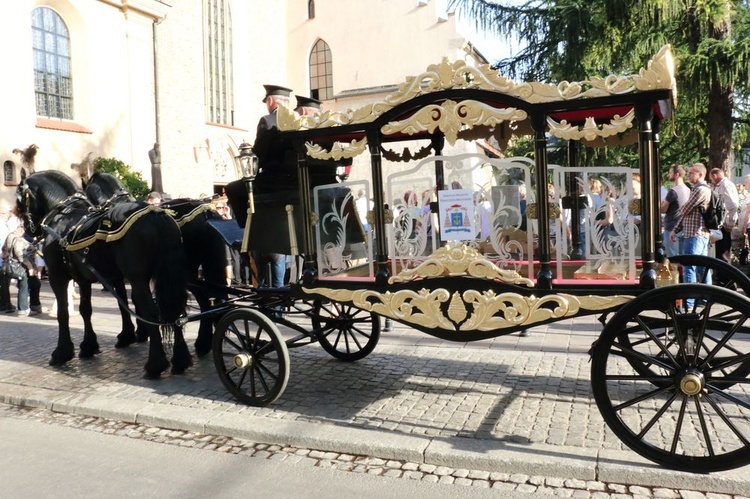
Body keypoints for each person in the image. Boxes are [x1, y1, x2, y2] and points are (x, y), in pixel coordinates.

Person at [251, 84, 294, 288]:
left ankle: (249, 234)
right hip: (295, 181)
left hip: (273, 182)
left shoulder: (267, 121)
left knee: (235, 189)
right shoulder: (299, 121)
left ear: (271, 100)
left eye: (267, 101)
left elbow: (258, 152)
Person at [670, 163, 712, 296]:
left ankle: (690, 300)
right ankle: (705, 298)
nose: (688, 175)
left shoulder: (701, 190)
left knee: (690, 267)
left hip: (696, 235)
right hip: (696, 234)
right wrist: (675, 230)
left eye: (692, 173)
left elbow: (684, 209)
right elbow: (686, 214)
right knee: (701, 268)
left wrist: (680, 207)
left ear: (700, 175)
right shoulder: (696, 189)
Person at [1, 225, 41, 316]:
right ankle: (23, 309)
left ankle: (5, 306)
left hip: (6, 265)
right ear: (21, 229)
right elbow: (20, 255)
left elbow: (3, 251)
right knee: (24, 286)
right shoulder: (18, 239)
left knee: (4, 287)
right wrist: (30, 266)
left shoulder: (9, 236)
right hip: (17, 267)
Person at [708, 167, 739, 273]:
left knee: (723, 254)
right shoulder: (722, 185)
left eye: (711, 178)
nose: (711, 180)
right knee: (720, 253)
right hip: (722, 224)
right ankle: (724, 279)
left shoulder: (725, 185)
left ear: (715, 175)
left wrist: (729, 224)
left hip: (724, 224)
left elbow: (733, 205)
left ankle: (727, 280)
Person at [660, 164, 690, 257]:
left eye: (670, 173)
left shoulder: (673, 191)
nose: (668, 175)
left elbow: (663, 209)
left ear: (676, 175)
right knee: (684, 258)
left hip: (671, 227)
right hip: (683, 226)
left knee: (673, 258)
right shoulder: (688, 189)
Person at [0, 202, 14, 313]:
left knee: (5, 282)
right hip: (1, 257)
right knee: (3, 282)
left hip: (4, 257)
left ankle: (5, 303)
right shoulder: (1, 225)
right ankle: (4, 304)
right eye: (8, 212)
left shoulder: (5, 224)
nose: (10, 214)